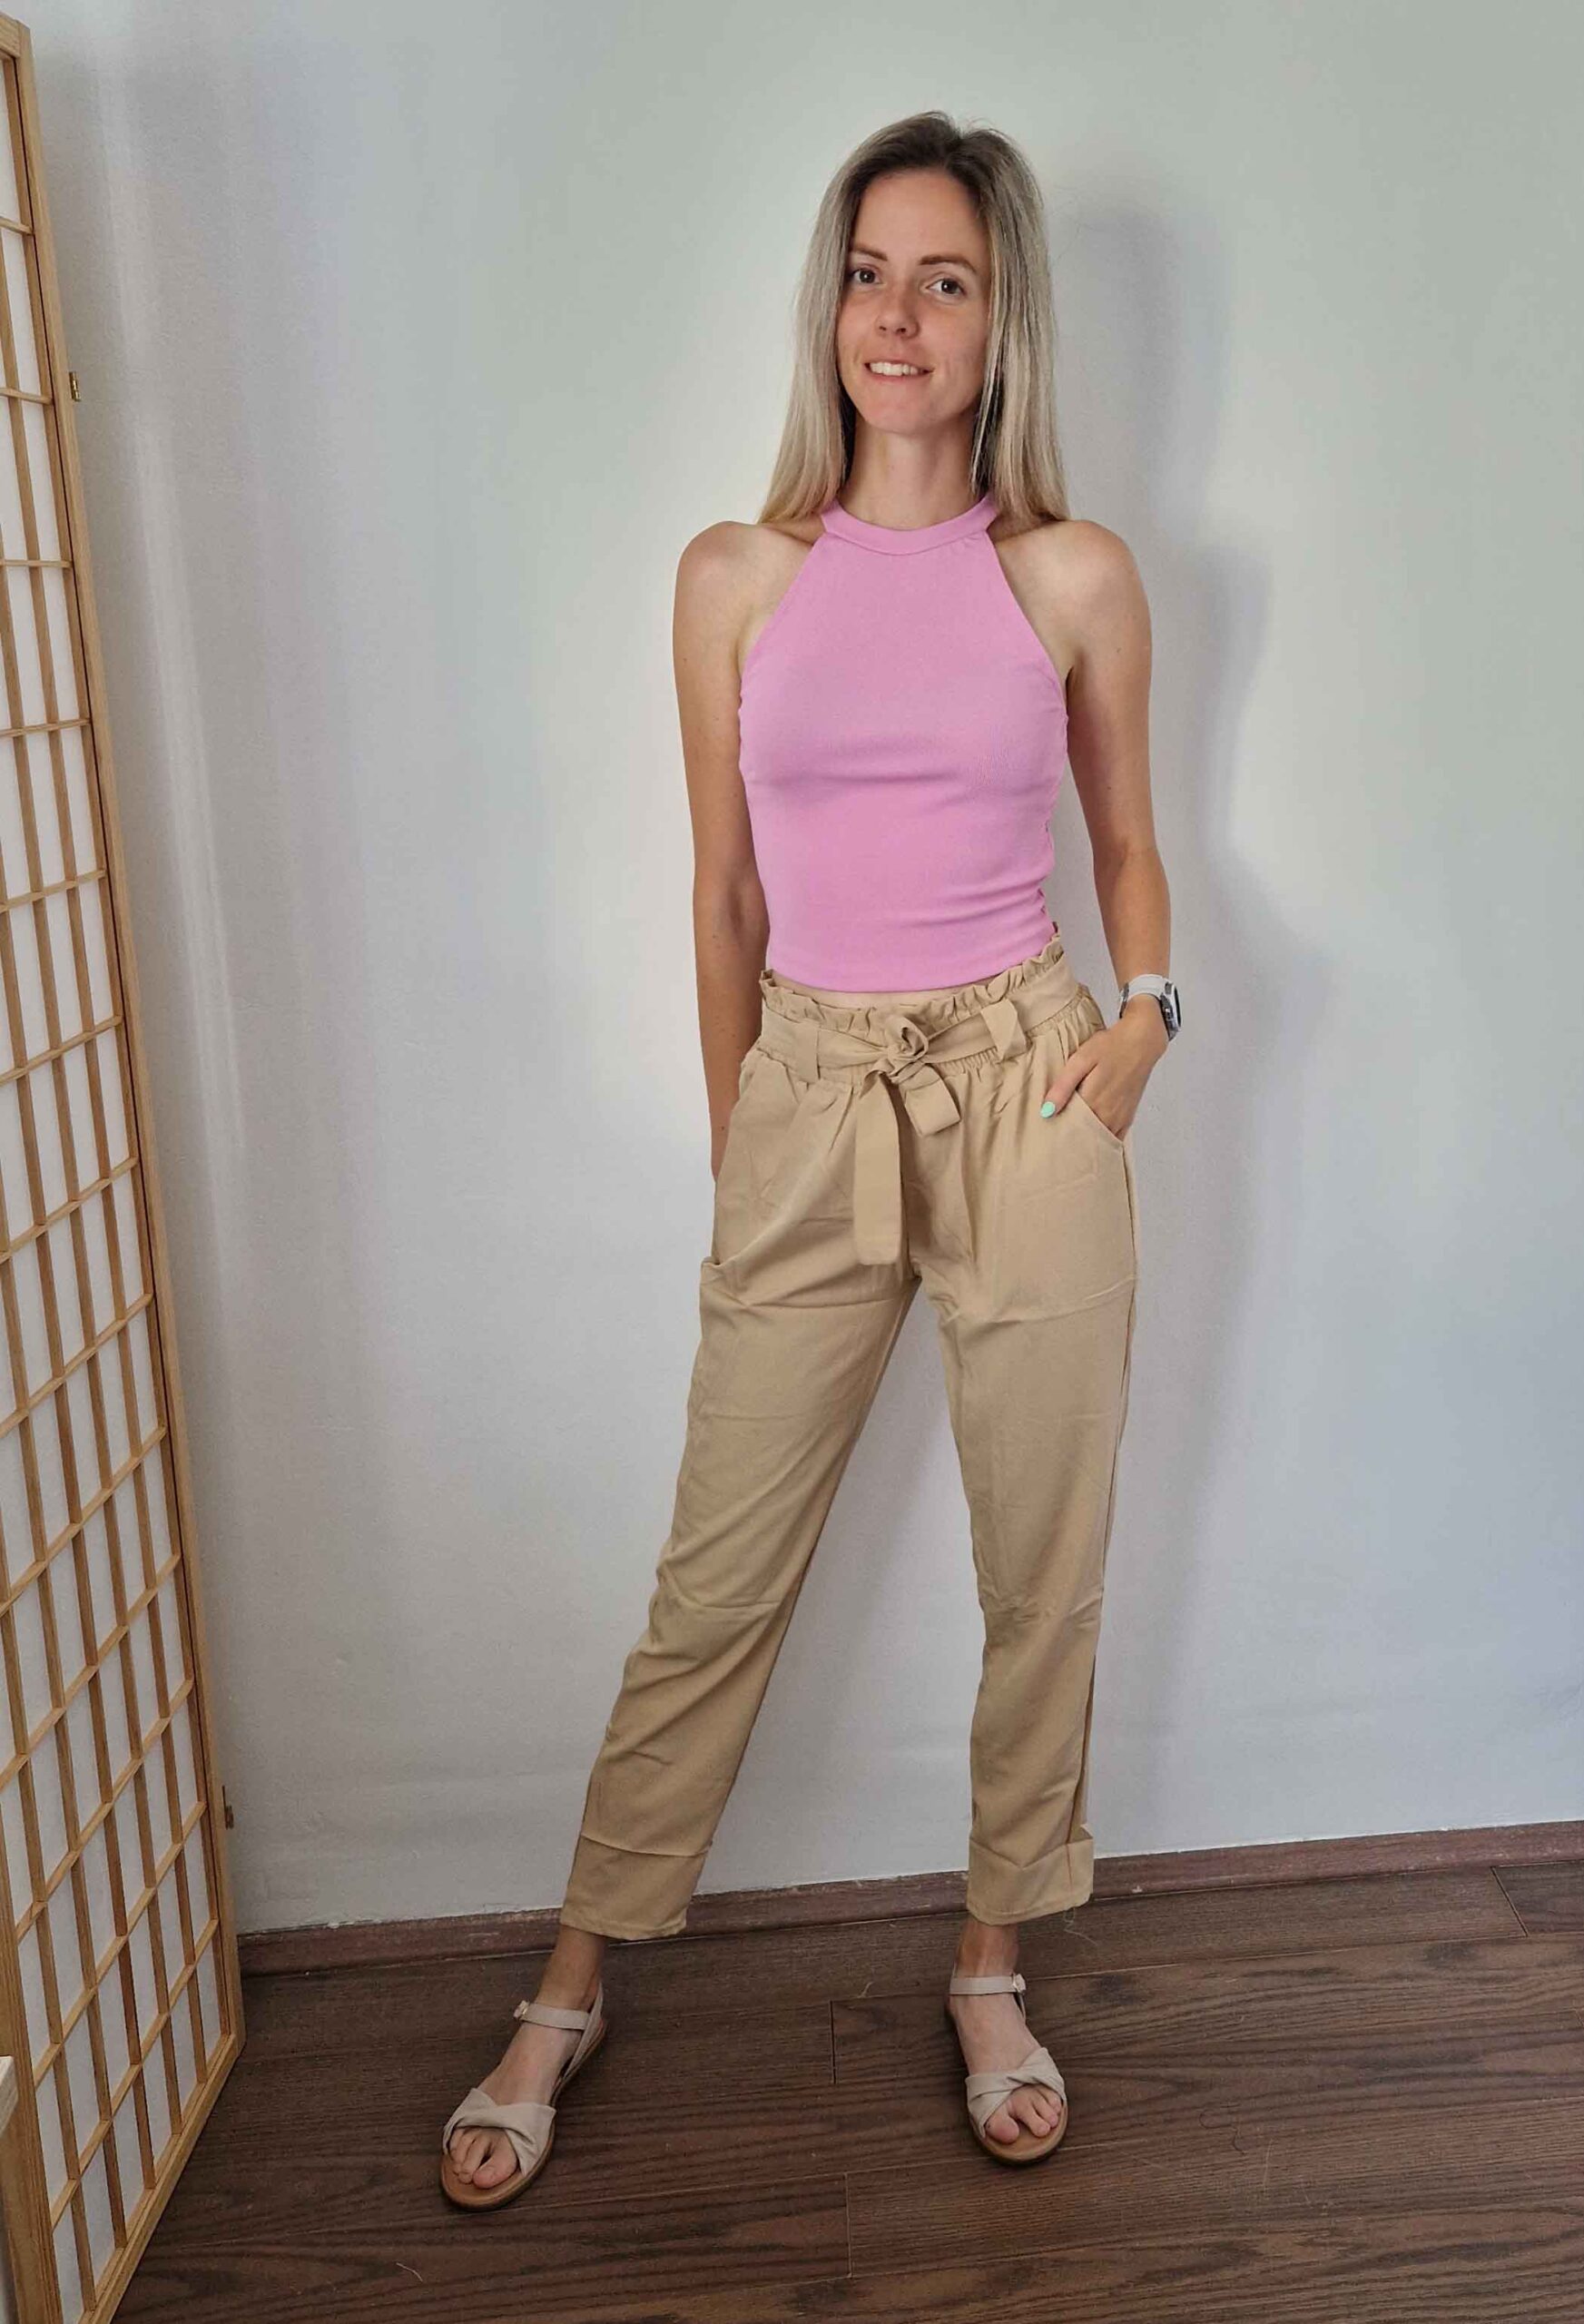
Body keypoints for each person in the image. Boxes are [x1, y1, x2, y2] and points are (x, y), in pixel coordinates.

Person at [440, 106, 1176, 2205]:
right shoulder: (735, 577)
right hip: (814, 1087)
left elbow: (1128, 843)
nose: (899, 318)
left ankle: (992, 1956)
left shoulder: (1072, 574)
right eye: (870, 273)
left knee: (1042, 1564)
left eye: (946, 278)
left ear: (1003, 316)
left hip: (1031, 1080)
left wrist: (1144, 1027)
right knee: (715, 1578)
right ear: (828, 305)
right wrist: (740, 1138)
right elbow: (724, 897)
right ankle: (573, 1976)